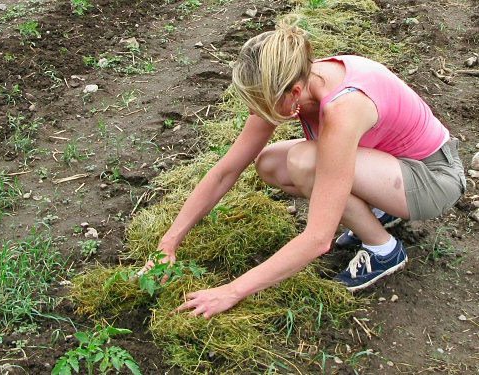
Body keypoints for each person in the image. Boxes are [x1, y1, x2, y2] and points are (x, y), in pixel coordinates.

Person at [162, 16, 466, 318]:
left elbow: (318, 238)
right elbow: (226, 171)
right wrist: (169, 241)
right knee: (270, 163)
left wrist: (231, 291)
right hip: (390, 167)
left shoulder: (343, 107)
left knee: (303, 162)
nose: (254, 111)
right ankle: (375, 212)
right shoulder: (293, 78)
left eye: (259, 102)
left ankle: (383, 249)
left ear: (293, 93)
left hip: (432, 177)